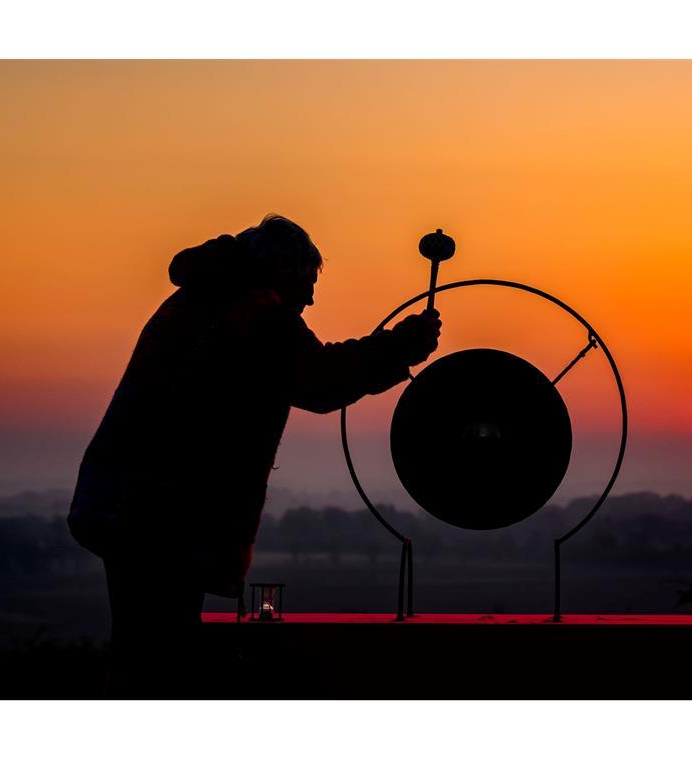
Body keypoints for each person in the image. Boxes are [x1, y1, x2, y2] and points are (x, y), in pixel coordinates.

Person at [67, 214, 440, 695]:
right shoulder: (250, 312)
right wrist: (401, 346)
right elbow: (319, 379)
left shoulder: (203, 298)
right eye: (306, 283)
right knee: (159, 659)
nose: (309, 299)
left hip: (129, 502)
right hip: (162, 513)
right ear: (280, 269)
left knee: (143, 650)